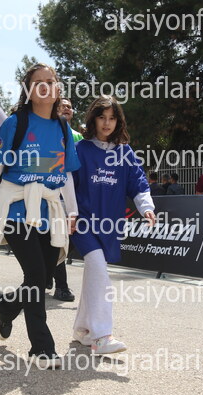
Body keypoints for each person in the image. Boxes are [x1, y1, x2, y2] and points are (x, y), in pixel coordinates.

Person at [0, 63, 80, 368]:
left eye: (50, 81)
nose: (45, 86)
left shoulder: (63, 129)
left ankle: (6, 306)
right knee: (35, 277)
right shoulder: (14, 124)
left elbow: (67, 174)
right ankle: (42, 349)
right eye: (37, 82)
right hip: (16, 209)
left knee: (42, 279)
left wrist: (72, 211)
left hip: (50, 211)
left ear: (58, 88)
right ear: (28, 90)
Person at [70, 95, 156, 355]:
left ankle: (82, 330)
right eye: (101, 117)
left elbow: (138, 182)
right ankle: (101, 336)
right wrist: (68, 213)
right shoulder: (80, 149)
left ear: (118, 122)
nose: (107, 123)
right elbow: (67, 184)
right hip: (83, 222)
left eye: (112, 118)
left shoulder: (124, 152)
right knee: (99, 271)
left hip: (109, 225)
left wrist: (147, 207)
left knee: (94, 272)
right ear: (92, 119)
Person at [46, 97, 83, 302]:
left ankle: (47, 274)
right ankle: (61, 286)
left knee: (65, 242)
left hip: (74, 196)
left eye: (69, 106)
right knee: (56, 241)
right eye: (63, 106)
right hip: (52, 196)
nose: (67, 109)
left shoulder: (79, 137)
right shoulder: (48, 132)